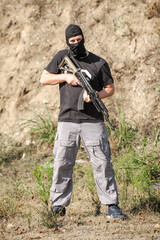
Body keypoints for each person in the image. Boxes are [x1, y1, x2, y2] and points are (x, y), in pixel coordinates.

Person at [40, 24, 126, 219]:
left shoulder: (98, 62)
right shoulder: (62, 57)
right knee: (62, 162)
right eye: (72, 42)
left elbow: (110, 88)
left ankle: (111, 204)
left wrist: (96, 95)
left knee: (102, 162)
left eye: (79, 40)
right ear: (67, 42)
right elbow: (44, 78)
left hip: (93, 121)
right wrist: (66, 77)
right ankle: (58, 206)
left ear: (83, 38)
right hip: (67, 119)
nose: (76, 44)